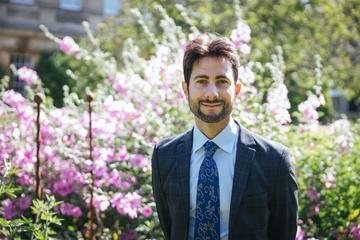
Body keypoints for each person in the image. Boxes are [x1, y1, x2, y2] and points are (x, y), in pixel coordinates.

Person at [151, 35, 298, 240]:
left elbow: (283, 233)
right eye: (201, 81)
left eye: (222, 82)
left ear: (237, 89)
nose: (212, 93)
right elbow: (171, 228)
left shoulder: (274, 160)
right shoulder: (164, 155)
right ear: (186, 90)